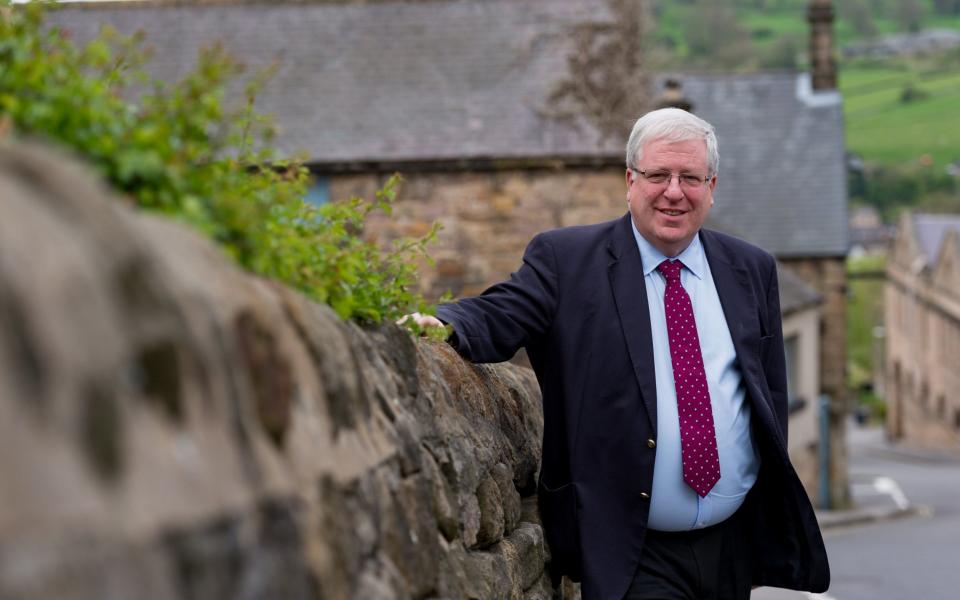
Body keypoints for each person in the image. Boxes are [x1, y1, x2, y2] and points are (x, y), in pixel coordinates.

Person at [406, 108, 829, 600]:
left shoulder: (750, 269)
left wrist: (759, 531)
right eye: (657, 175)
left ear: (712, 185)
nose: (674, 191)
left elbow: (766, 395)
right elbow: (503, 312)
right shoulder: (567, 262)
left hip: (730, 544)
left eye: (690, 177)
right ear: (630, 180)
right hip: (631, 548)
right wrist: (444, 324)